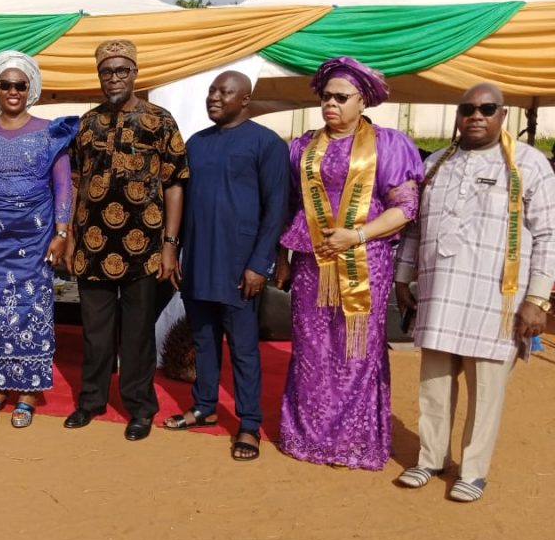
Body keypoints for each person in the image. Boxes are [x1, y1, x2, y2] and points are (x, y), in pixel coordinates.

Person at [395, 83, 555, 502]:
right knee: (433, 382)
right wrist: (402, 276)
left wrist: (538, 299)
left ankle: (474, 469)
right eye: (468, 108)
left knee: (485, 389)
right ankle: (430, 458)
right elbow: (414, 228)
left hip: (497, 301)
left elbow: (548, 235)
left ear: (503, 115)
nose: (476, 115)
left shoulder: (528, 164)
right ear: (458, 115)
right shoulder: (436, 163)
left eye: (487, 108)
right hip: (439, 293)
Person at [276, 56, 423, 470]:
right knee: (312, 348)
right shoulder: (302, 148)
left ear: (363, 101)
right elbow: (290, 206)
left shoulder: (389, 144)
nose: (331, 105)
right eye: (326, 97)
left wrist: (357, 235)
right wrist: (281, 258)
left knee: (356, 349)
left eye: (342, 97)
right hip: (313, 262)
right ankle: (306, 437)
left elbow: (406, 207)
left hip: (365, 260)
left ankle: (354, 443)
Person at [63, 39, 190, 441]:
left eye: (121, 70)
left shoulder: (160, 120)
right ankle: (91, 400)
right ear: (99, 75)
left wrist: (170, 245)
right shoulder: (87, 123)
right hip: (93, 245)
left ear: (135, 72)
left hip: (144, 247)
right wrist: (68, 239)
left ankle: (139, 406)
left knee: (137, 333)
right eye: (106, 71)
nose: (114, 78)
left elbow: (174, 185)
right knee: (95, 331)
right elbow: (74, 182)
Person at [169, 71, 289, 461]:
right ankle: (204, 406)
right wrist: (175, 252)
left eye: (225, 92)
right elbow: (182, 203)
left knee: (242, 349)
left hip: (241, 268)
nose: (214, 97)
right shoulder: (195, 144)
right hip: (199, 261)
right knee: (203, 340)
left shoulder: (266, 144)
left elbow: (276, 209)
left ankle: (249, 423)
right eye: (211, 91)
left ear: (245, 100)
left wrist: (259, 264)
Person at [0, 51, 76, 428]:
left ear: (31, 89)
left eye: (19, 85)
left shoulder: (50, 130)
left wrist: (61, 234)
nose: (12, 91)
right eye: (5, 84)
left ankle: (27, 391)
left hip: (36, 239)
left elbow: (62, 188)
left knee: (32, 311)